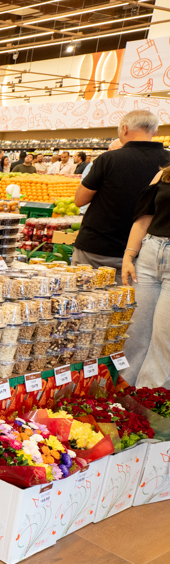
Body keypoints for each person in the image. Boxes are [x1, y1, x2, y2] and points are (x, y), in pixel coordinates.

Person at [73, 110, 169, 280]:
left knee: (86, 299)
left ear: (124, 129)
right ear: (154, 132)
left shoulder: (108, 159)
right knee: (129, 304)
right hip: (145, 251)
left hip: (98, 248)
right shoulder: (168, 163)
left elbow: (80, 200)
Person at [122, 169, 170, 388]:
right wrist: (129, 255)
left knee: (164, 338)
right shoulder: (165, 174)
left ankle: (149, 401)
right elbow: (144, 219)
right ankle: (122, 397)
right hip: (150, 253)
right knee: (135, 332)